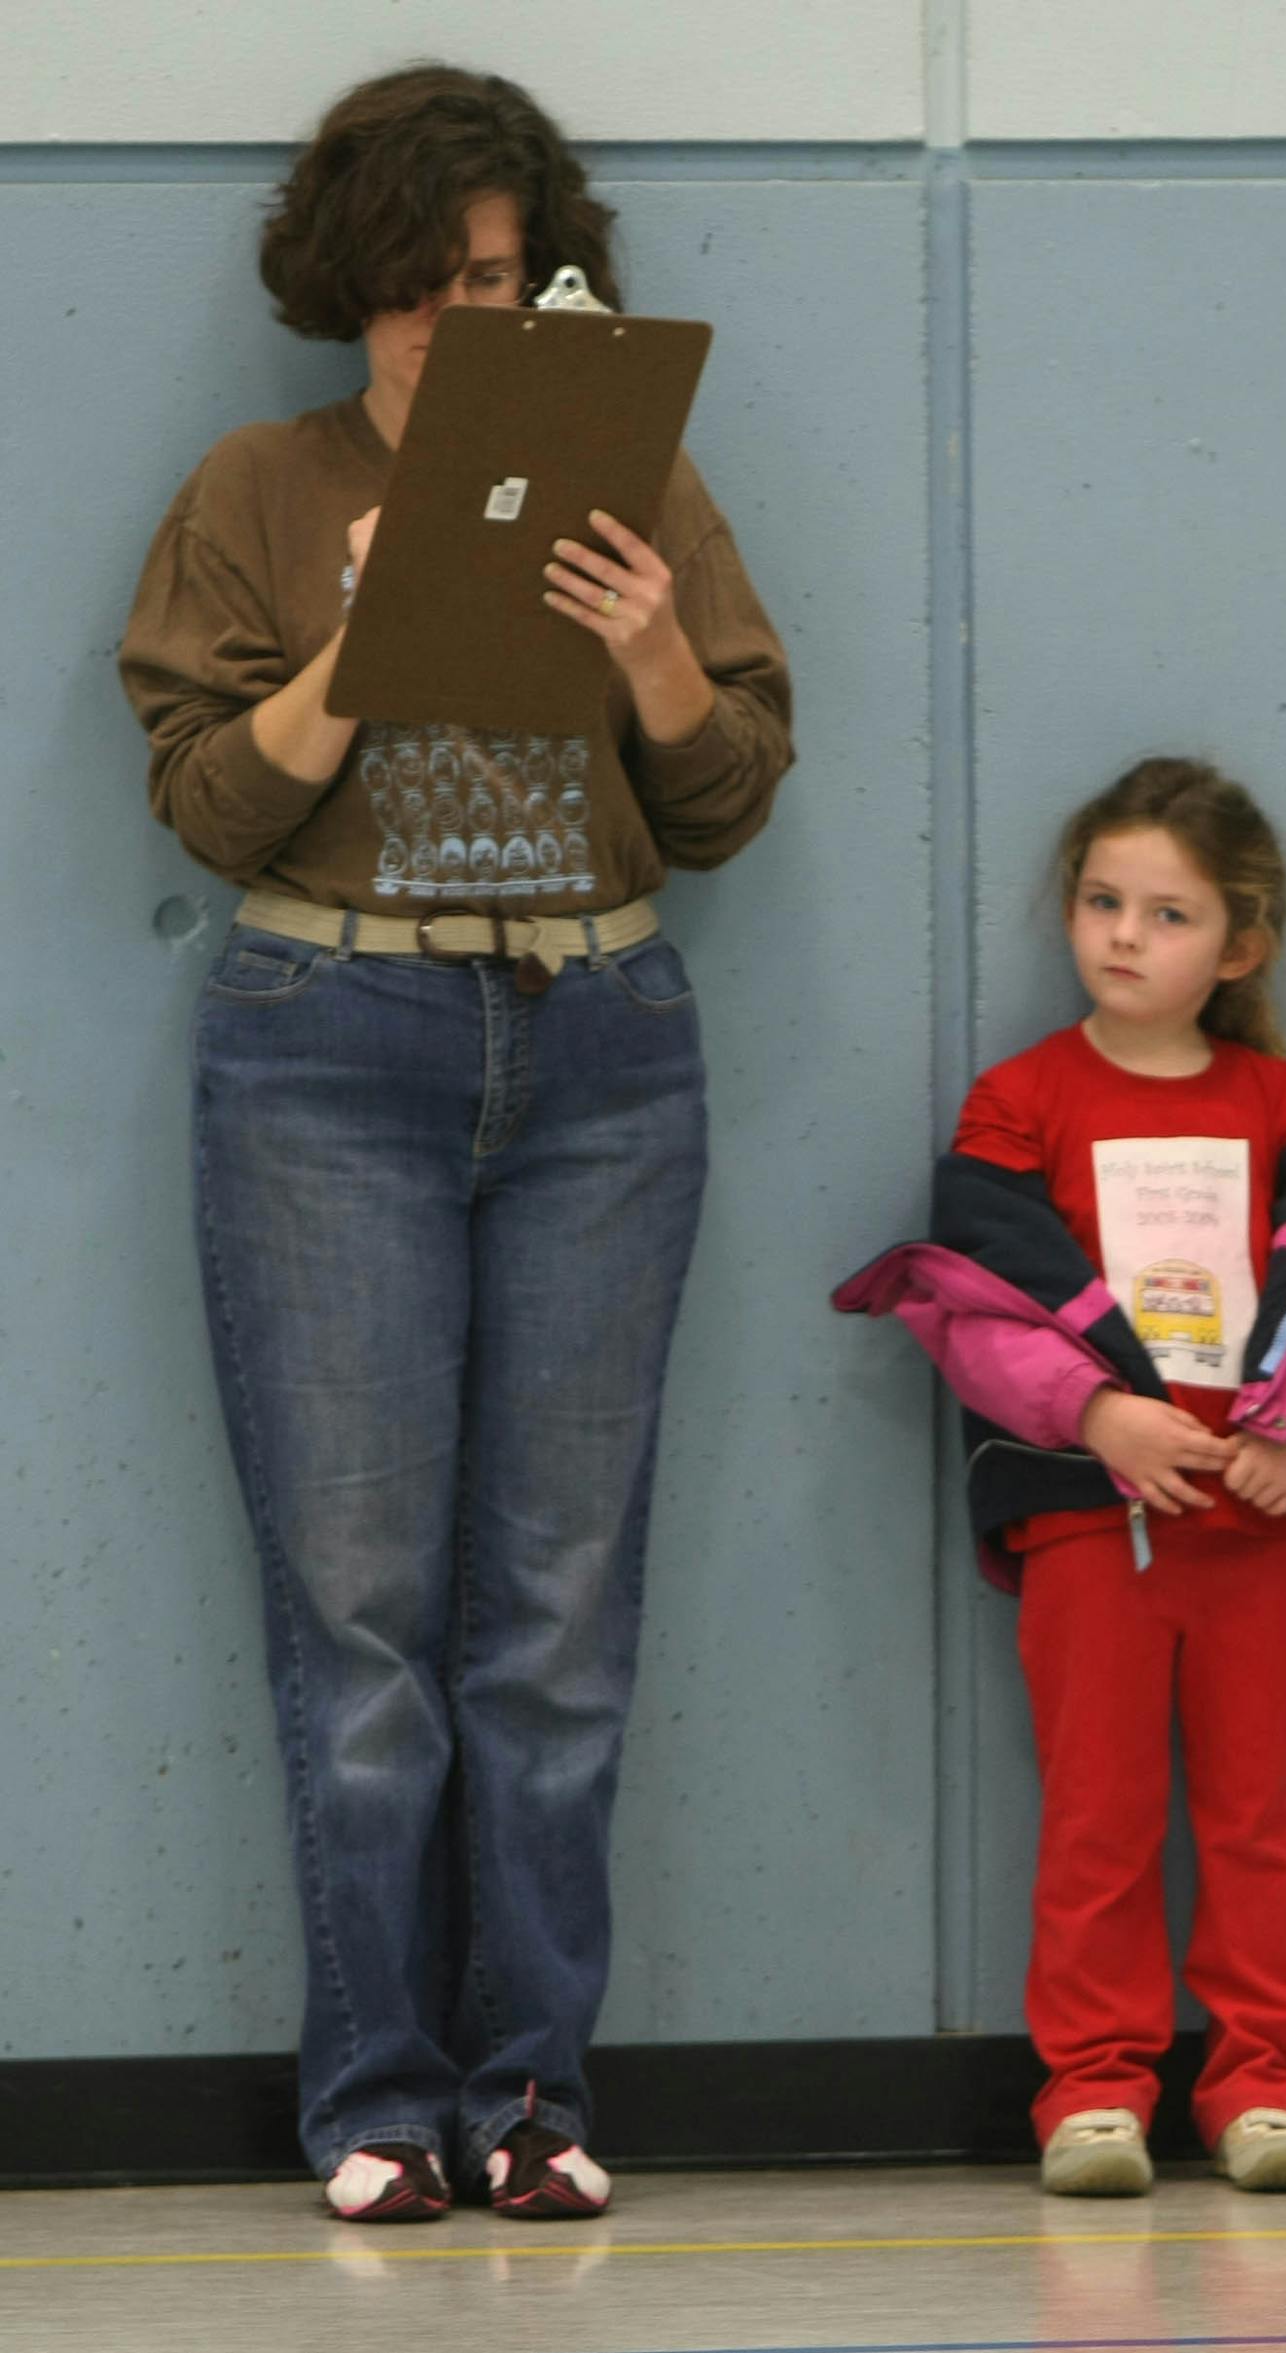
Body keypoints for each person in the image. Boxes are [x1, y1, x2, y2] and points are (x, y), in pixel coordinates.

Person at [118, 63, 793, 2222]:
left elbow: (729, 796)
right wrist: (355, 642)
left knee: (559, 1616)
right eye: (420, 291)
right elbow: (212, 800)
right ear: (352, 292)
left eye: (498, 283)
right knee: (362, 1610)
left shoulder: (637, 478)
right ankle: (380, 2101)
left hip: (599, 1032)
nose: (457, 326)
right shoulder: (259, 480)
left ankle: (537, 2094)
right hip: (330, 1035)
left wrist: (658, 656)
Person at [836, 759, 1286, 2196]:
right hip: (1092, 1524)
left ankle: (1261, 2083)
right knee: (1098, 1811)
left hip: (1260, 1526)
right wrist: (1095, 1412)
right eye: (1102, 901)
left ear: (1239, 945)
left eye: (1167, 914)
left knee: (1254, 1814)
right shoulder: (1021, 1100)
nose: (1124, 935)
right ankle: (1094, 2087)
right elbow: (973, 1302)